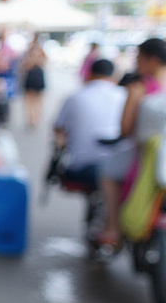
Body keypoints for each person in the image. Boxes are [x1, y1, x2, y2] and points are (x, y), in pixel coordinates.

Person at [97, 38, 166, 249]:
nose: (136, 63)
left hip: (144, 153)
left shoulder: (139, 88)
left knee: (107, 173)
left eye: (139, 58)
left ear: (151, 60)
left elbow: (125, 130)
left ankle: (113, 228)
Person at [51, 58, 125, 192]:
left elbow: (58, 130)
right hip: (116, 167)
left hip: (79, 167)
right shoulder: (124, 95)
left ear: (90, 73)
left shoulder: (75, 96)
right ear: (113, 75)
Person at [19, 34, 47, 129]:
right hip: (34, 75)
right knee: (33, 100)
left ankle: (34, 119)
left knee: (35, 100)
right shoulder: (33, 51)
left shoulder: (35, 51)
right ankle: (33, 119)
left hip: (35, 75)